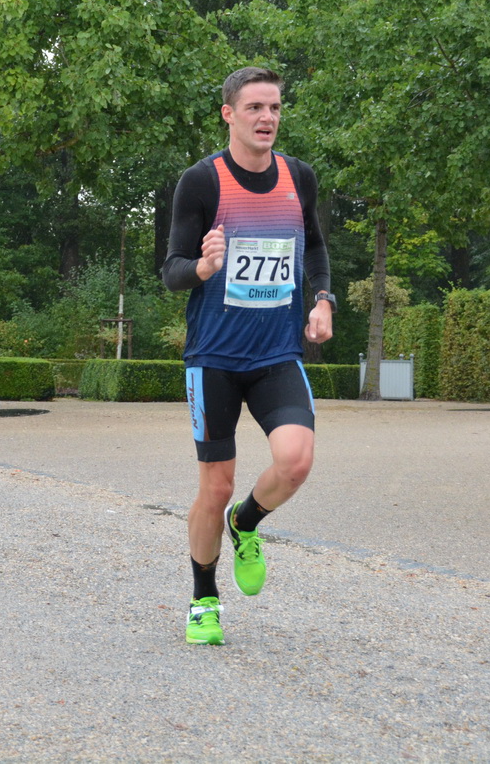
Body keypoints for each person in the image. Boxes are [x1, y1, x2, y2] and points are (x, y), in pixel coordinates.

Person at [161, 66, 336, 646]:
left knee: (296, 461)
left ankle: (247, 523)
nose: (268, 118)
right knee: (214, 485)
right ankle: (203, 599)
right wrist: (205, 268)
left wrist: (323, 299)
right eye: (256, 108)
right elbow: (172, 271)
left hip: (276, 352)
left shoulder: (299, 177)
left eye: (276, 108)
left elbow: (313, 244)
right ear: (228, 114)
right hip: (213, 358)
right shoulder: (201, 182)